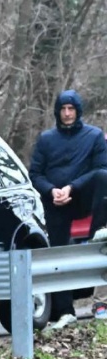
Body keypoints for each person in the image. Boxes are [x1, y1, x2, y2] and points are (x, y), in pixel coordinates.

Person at [29, 89, 107, 251]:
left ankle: (98, 234)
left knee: (103, 176)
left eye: (71, 109)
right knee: (59, 253)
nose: (67, 113)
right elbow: (35, 174)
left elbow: (102, 167)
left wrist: (72, 187)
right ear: (57, 111)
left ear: (77, 111)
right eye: (63, 109)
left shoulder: (94, 136)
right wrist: (51, 190)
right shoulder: (46, 139)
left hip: (83, 198)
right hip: (55, 202)